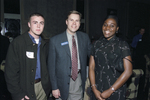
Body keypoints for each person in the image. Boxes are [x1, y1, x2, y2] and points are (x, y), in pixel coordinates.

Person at [5, 13, 51, 100]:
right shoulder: (18, 43)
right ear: (29, 24)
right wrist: (17, 93)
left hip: (43, 88)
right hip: (25, 89)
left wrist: (49, 86)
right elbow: (10, 72)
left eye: (41, 23)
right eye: (35, 22)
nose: (38, 26)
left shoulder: (45, 44)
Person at [48, 10, 91, 100]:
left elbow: (93, 55)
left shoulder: (85, 38)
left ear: (80, 23)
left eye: (77, 20)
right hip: (61, 84)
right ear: (66, 22)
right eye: (71, 20)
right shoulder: (55, 40)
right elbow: (51, 67)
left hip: (78, 82)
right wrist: (54, 87)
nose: (74, 23)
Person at [89, 15, 132, 100]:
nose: (107, 28)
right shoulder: (96, 44)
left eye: (112, 26)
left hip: (115, 90)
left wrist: (110, 91)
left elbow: (128, 71)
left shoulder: (122, 45)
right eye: (105, 25)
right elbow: (91, 67)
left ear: (117, 29)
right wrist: (94, 89)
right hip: (97, 90)